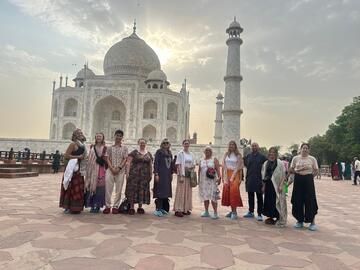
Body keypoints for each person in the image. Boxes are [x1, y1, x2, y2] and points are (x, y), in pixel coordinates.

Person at [289, 143, 319, 231]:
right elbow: (291, 169)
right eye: (303, 148)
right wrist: (297, 170)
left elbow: (316, 170)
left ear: (309, 150)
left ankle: (312, 222)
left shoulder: (312, 159)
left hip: (308, 180)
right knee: (297, 200)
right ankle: (299, 220)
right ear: (300, 149)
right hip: (298, 180)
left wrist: (310, 177)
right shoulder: (295, 158)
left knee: (310, 200)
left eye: (306, 148)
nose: (305, 149)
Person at [59, 129, 87, 214]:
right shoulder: (73, 144)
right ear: (75, 135)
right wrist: (78, 157)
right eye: (78, 133)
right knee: (70, 187)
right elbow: (66, 155)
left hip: (79, 169)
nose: (80, 134)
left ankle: (76, 207)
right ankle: (67, 206)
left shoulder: (82, 145)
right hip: (72, 169)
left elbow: (84, 156)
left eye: (81, 133)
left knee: (78, 187)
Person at [125, 138, 153, 215]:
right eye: (141, 143)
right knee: (133, 190)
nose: (142, 144)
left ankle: (140, 207)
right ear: (138, 143)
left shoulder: (148, 153)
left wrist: (151, 174)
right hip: (134, 175)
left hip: (144, 176)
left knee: (142, 190)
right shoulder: (134, 152)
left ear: (146, 144)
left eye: (144, 143)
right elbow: (128, 163)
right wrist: (127, 173)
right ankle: (131, 207)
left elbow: (150, 165)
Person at [103, 130, 128, 214]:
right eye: (117, 135)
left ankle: (115, 206)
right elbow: (107, 158)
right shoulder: (110, 148)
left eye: (120, 136)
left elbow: (125, 159)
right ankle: (107, 206)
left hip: (120, 171)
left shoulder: (125, 148)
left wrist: (119, 168)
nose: (118, 137)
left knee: (119, 189)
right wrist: (112, 168)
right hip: (110, 170)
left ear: (122, 137)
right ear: (114, 136)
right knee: (108, 189)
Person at [261, 147, 287, 227]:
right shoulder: (266, 163)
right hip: (269, 185)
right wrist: (263, 186)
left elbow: (284, 175)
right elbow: (264, 175)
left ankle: (279, 217)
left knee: (278, 201)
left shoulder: (280, 163)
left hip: (277, 185)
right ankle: (270, 217)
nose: (272, 154)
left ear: (276, 154)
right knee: (269, 201)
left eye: (273, 152)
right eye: (270, 152)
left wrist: (281, 185)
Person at [243, 142, 267, 221]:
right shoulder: (248, 156)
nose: (254, 147)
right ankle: (251, 211)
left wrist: (264, 182)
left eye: (255, 146)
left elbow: (266, 168)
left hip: (259, 179)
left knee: (259, 197)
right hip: (250, 178)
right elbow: (245, 165)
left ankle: (260, 214)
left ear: (258, 147)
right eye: (252, 146)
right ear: (251, 148)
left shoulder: (262, 157)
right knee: (250, 196)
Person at [85, 133, 107, 213]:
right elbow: (89, 158)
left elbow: (106, 159)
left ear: (103, 138)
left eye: (100, 136)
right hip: (92, 169)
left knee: (100, 188)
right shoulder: (92, 147)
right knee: (92, 187)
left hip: (101, 170)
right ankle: (92, 204)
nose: (98, 138)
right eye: (97, 136)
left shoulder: (105, 148)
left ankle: (97, 205)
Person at [221, 141, 244, 220]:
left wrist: (240, 178)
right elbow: (223, 166)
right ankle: (232, 211)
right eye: (230, 144)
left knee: (234, 192)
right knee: (228, 193)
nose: (231, 146)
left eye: (233, 145)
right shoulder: (226, 154)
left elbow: (240, 168)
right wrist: (223, 178)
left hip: (235, 174)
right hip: (227, 174)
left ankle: (234, 212)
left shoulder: (238, 155)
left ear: (235, 146)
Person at [173, 139, 195, 217]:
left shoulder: (191, 154)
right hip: (182, 174)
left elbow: (194, 164)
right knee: (181, 192)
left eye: (187, 144)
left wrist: (191, 168)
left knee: (187, 192)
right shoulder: (180, 153)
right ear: (183, 144)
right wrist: (180, 175)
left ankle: (185, 208)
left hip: (189, 175)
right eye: (185, 143)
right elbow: (178, 165)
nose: (186, 145)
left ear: (189, 145)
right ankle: (178, 209)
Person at [198, 146, 221, 219]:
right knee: (205, 196)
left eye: (209, 150)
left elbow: (218, 169)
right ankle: (206, 211)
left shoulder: (214, 159)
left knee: (213, 196)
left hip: (212, 181)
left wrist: (219, 177)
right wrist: (199, 180)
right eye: (206, 150)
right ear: (204, 152)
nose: (207, 152)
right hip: (204, 181)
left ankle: (215, 212)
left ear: (211, 151)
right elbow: (199, 170)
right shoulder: (201, 160)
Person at [153, 138, 174, 217]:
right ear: (162, 144)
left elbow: (171, 165)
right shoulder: (159, 152)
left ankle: (162, 209)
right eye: (164, 143)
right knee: (159, 191)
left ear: (169, 145)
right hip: (160, 175)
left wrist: (171, 174)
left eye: (167, 143)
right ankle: (158, 209)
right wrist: (156, 174)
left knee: (165, 192)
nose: (165, 144)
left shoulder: (169, 153)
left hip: (167, 175)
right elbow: (156, 163)